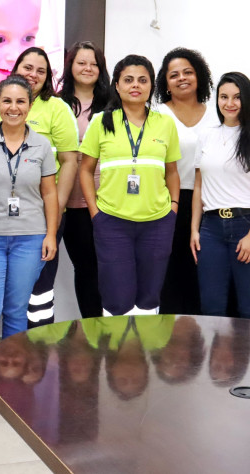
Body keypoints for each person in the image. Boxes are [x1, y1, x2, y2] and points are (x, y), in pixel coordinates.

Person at [0, 74, 59, 407]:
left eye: (20, 101)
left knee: (17, 311)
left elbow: (49, 193)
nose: (13, 107)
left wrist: (50, 234)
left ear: (30, 106)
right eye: (7, 101)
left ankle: (11, 376)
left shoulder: (43, 145)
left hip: (29, 239)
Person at [79, 54, 181, 316]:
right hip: (112, 221)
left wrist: (173, 209)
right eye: (128, 79)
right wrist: (96, 214)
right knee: (117, 299)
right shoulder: (101, 122)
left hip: (157, 222)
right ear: (116, 84)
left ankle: (145, 354)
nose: (135, 85)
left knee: (149, 297)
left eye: (142, 80)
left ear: (152, 85)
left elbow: (172, 172)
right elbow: (86, 169)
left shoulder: (165, 123)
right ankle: (117, 355)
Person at [0, 47, 79, 327]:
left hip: (43, 213)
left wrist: (58, 208)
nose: (34, 74)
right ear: (15, 68)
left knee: (39, 289)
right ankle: (8, 354)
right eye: (28, 67)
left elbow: (69, 160)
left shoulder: (57, 108)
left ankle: (39, 352)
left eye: (41, 71)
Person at [191, 72, 250, 321]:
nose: (230, 103)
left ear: (247, 100)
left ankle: (249, 361)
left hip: (249, 224)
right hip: (212, 228)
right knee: (211, 307)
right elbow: (199, 186)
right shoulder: (207, 135)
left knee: (248, 307)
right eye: (224, 97)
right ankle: (214, 361)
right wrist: (194, 230)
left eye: (237, 97)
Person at [154, 47, 217, 315]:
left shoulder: (217, 112)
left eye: (188, 72)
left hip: (210, 202)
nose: (182, 78)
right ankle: (168, 342)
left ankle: (199, 341)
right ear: (165, 83)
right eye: (174, 74)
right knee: (169, 271)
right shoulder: (156, 114)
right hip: (170, 201)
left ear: (199, 76)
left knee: (203, 271)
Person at [58, 42, 109, 318]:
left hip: (108, 201)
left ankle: (112, 333)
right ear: (70, 66)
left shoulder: (113, 103)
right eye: (81, 62)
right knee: (85, 268)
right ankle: (93, 329)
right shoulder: (58, 104)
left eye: (93, 63)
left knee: (109, 267)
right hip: (70, 201)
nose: (88, 68)